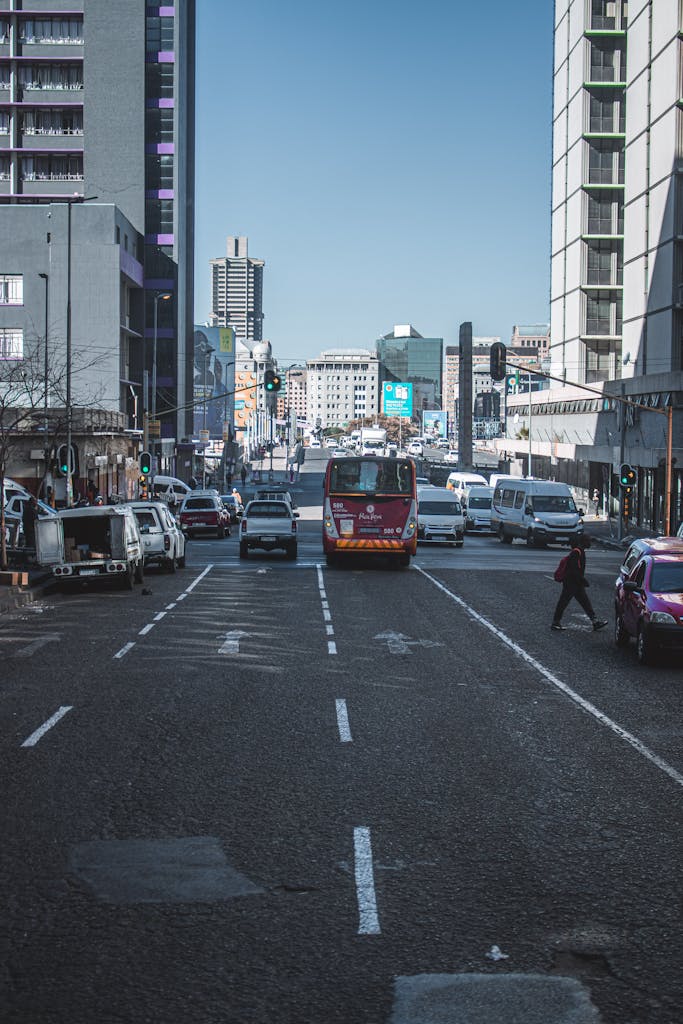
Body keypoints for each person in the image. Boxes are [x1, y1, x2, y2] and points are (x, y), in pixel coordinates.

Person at [551, 535, 607, 632]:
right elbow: (574, 569)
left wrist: (581, 581)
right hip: (571, 583)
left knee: (585, 603)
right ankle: (555, 623)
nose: (590, 543)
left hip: (576, 583)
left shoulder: (579, 552)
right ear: (583, 542)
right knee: (563, 602)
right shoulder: (577, 552)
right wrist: (583, 580)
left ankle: (595, 622)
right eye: (588, 541)